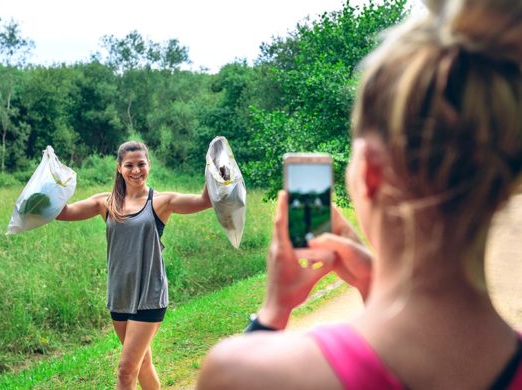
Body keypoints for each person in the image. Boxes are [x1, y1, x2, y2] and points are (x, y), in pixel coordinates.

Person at [196, 0, 522, 388]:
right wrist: (374, 285)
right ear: (505, 185)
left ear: (369, 173)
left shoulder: (246, 373)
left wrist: (273, 309)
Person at [56, 140, 212, 390]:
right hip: (120, 296)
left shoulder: (161, 202)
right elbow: (63, 212)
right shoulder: (105, 203)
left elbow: (205, 200)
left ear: (149, 165)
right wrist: (47, 187)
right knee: (143, 364)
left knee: (125, 371)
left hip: (149, 296)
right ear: (119, 168)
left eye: (141, 164)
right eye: (129, 165)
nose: (136, 170)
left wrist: (216, 167)